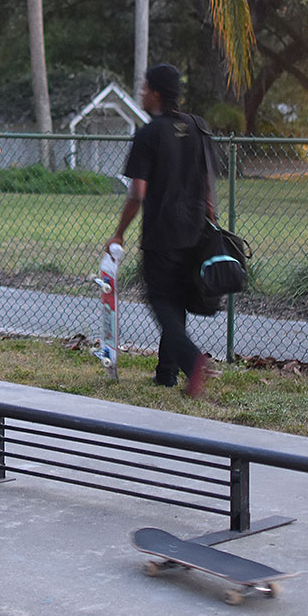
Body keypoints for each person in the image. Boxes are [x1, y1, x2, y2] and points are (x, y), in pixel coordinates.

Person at [105, 63, 214, 396]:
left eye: (143, 87)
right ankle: (166, 372)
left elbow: (138, 192)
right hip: (195, 229)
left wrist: (119, 231)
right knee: (177, 299)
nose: (140, 92)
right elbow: (207, 186)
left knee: (160, 299)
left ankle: (193, 362)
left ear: (155, 93)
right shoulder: (197, 127)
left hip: (162, 232)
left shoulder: (148, 134)